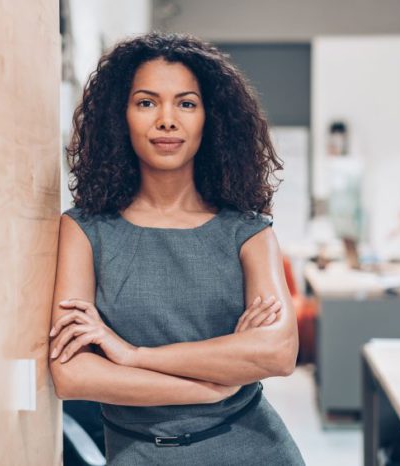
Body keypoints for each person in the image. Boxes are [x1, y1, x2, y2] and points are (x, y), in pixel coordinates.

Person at [48, 32, 305, 465]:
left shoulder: (248, 232)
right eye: (147, 102)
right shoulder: (84, 230)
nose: (167, 119)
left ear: (211, 118)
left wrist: (130, 355)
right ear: (120, 116)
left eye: (186, 103)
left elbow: (277, 353)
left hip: (253, 448)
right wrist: (216, 382)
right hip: (137, 454)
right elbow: (73, 374)